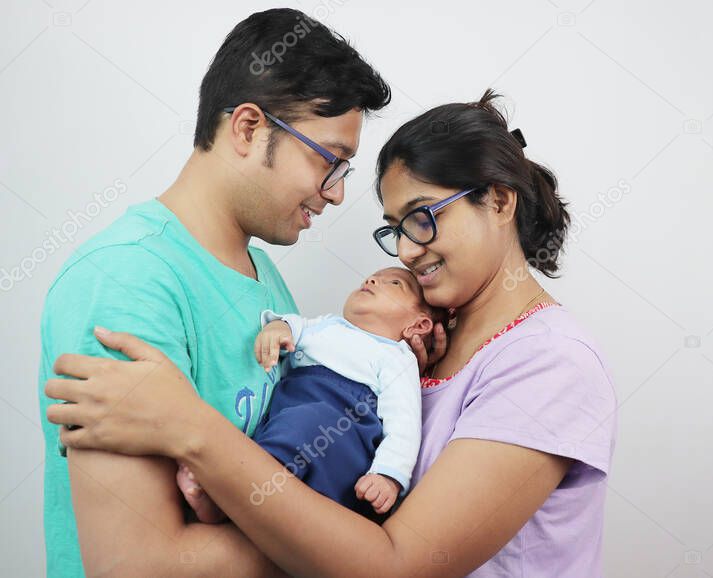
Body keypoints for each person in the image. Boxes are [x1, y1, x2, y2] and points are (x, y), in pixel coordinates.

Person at [46, 91, 618, 577]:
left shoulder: (552, 364)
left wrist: (189, 427)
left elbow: (396, 562)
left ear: (497, 200)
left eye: (422, 217)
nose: (406, 250)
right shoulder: (418, 346)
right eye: (394, 229)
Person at [34, 8, 411, 577]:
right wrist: (346, 546)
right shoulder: (126, 280)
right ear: (248, 128)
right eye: (330, 161)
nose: (334, 195)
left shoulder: (264, 275)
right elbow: (136, 567)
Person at [179, 267, 442, 522]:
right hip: (289, 413)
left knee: (302, 428)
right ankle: (227, 506)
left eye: (394, 283)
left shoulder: (397, 357)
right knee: (260, 444)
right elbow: (295, 326)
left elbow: (404, 424)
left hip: (344, 428)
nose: (372, 280)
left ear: (418, 325)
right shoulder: (327, 324)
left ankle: (229, 499)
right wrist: (279, 329)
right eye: (374, 277)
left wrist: (389, 475)